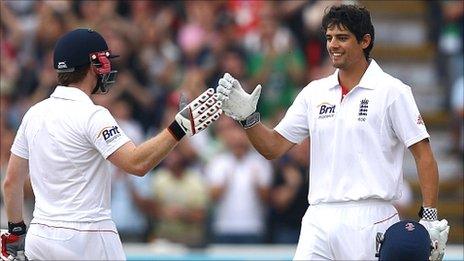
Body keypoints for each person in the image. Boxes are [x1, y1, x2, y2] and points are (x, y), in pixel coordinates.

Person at [217, 4, 450, 260]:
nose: (332, 45)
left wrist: (429, 218)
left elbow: (423, 155)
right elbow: (273, 147)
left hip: (371, 217)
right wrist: (247, 118)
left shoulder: (392, 91)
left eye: (342, 38)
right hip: (318, 216)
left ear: (365, 41)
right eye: (329, 38)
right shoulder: (314, 92)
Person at [1, 28, 222, 260]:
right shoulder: (93, 115)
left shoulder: (34, 114)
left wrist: (16, 233)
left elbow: (11, 182)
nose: (106, 69)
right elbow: (137, 164)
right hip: (88, 237)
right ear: (91, 65)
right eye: (103, 61)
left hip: (41, 235)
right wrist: (180, 127)